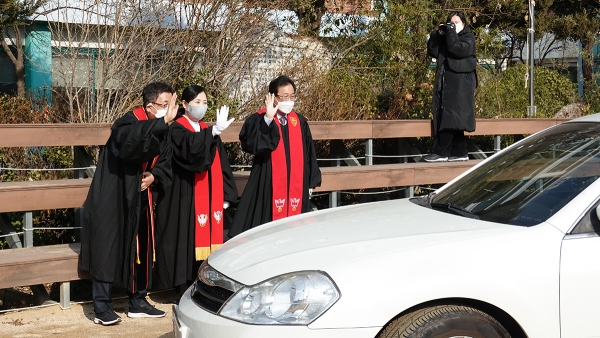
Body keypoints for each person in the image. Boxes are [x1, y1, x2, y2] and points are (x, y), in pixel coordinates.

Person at [79, 82, 176, 325]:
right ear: (150, 105)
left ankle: (138, 301)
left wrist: (154, 176)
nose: (168, 110)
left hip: (142, 196)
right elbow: (129, 146)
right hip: (115, 196)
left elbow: (166, 160)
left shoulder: (162, 125)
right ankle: (102, 307)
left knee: (142, 246)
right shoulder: (127, 122)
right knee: (107, 246)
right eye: (165, 105)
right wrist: (160, 124)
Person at [154, 85, 237, 293]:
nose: (202, 107)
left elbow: (222, 163)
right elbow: (190, 152)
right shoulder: (177, 128)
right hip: (184, 194)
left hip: (209, 196)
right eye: (197, 102)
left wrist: (226, 195)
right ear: (184, 104)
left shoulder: (207, 128)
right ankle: (183, 287)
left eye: (205, 103)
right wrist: (213, 133)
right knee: (186, 238)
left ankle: (205, 283)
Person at [229, 75, 321, 237]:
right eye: (284, 97)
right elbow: (252, 145)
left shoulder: (299, 122)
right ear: (273, 97)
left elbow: (309, 152)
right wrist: (268, 119)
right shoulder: (259, 118)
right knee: (266, 227)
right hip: (268, 183)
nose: (289, 100)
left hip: (296, 186)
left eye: (292, 96)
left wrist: (311, 181)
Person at [423, 11, 477, 162]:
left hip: (460, 89)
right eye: (450, 23)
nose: (453, 26)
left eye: (456, 22)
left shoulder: (469, 38)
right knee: (453, 120)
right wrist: (436, 33)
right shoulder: (447, 38)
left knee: (450, 118)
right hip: (445, 86)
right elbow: (433, 51)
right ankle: (459, 152)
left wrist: (450, 33)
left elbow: (457, 49)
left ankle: (441, 152)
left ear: (464, 24)